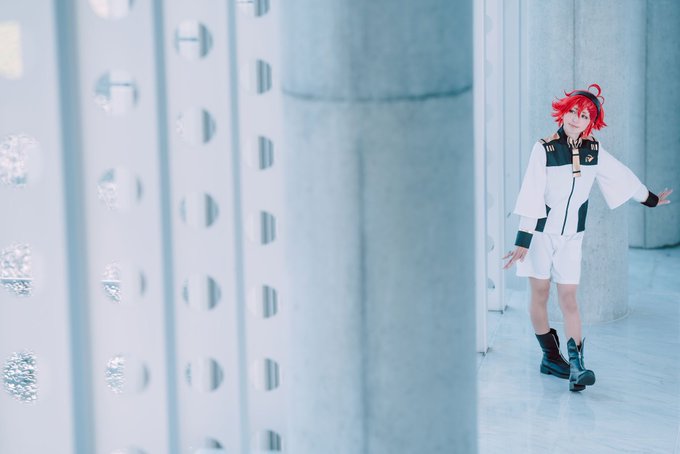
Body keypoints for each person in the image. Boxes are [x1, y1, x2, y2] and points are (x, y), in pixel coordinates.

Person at [503, 84, 673, 392]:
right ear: (563, 113)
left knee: (569, 298)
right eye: (572, 111)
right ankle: (550, 358)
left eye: (584, 115)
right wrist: (523, 239)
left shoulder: (593, 150)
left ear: (591, 122)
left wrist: (649, 199)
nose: (576, 119)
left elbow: (620, 175)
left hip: (572, 236)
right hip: (541, 234)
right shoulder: (544, 149)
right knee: (540, 294)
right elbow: (531, 192)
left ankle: (577, 367)